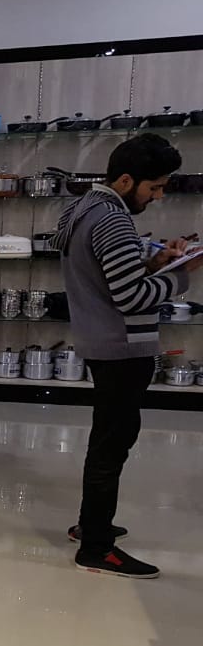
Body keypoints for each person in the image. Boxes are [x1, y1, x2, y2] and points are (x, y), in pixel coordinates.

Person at [53, 133, 201, 577]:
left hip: (102, 341)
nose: (157, 197)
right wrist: (183, 276)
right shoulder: (113, 219)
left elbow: (112, 275)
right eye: (154, 187)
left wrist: (157, 263)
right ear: (124, 180)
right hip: (122, 345)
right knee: (112, 443)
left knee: (109, 437)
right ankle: (97, 547)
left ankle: (91, 525)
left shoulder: (84, 208)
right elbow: (131, 297)